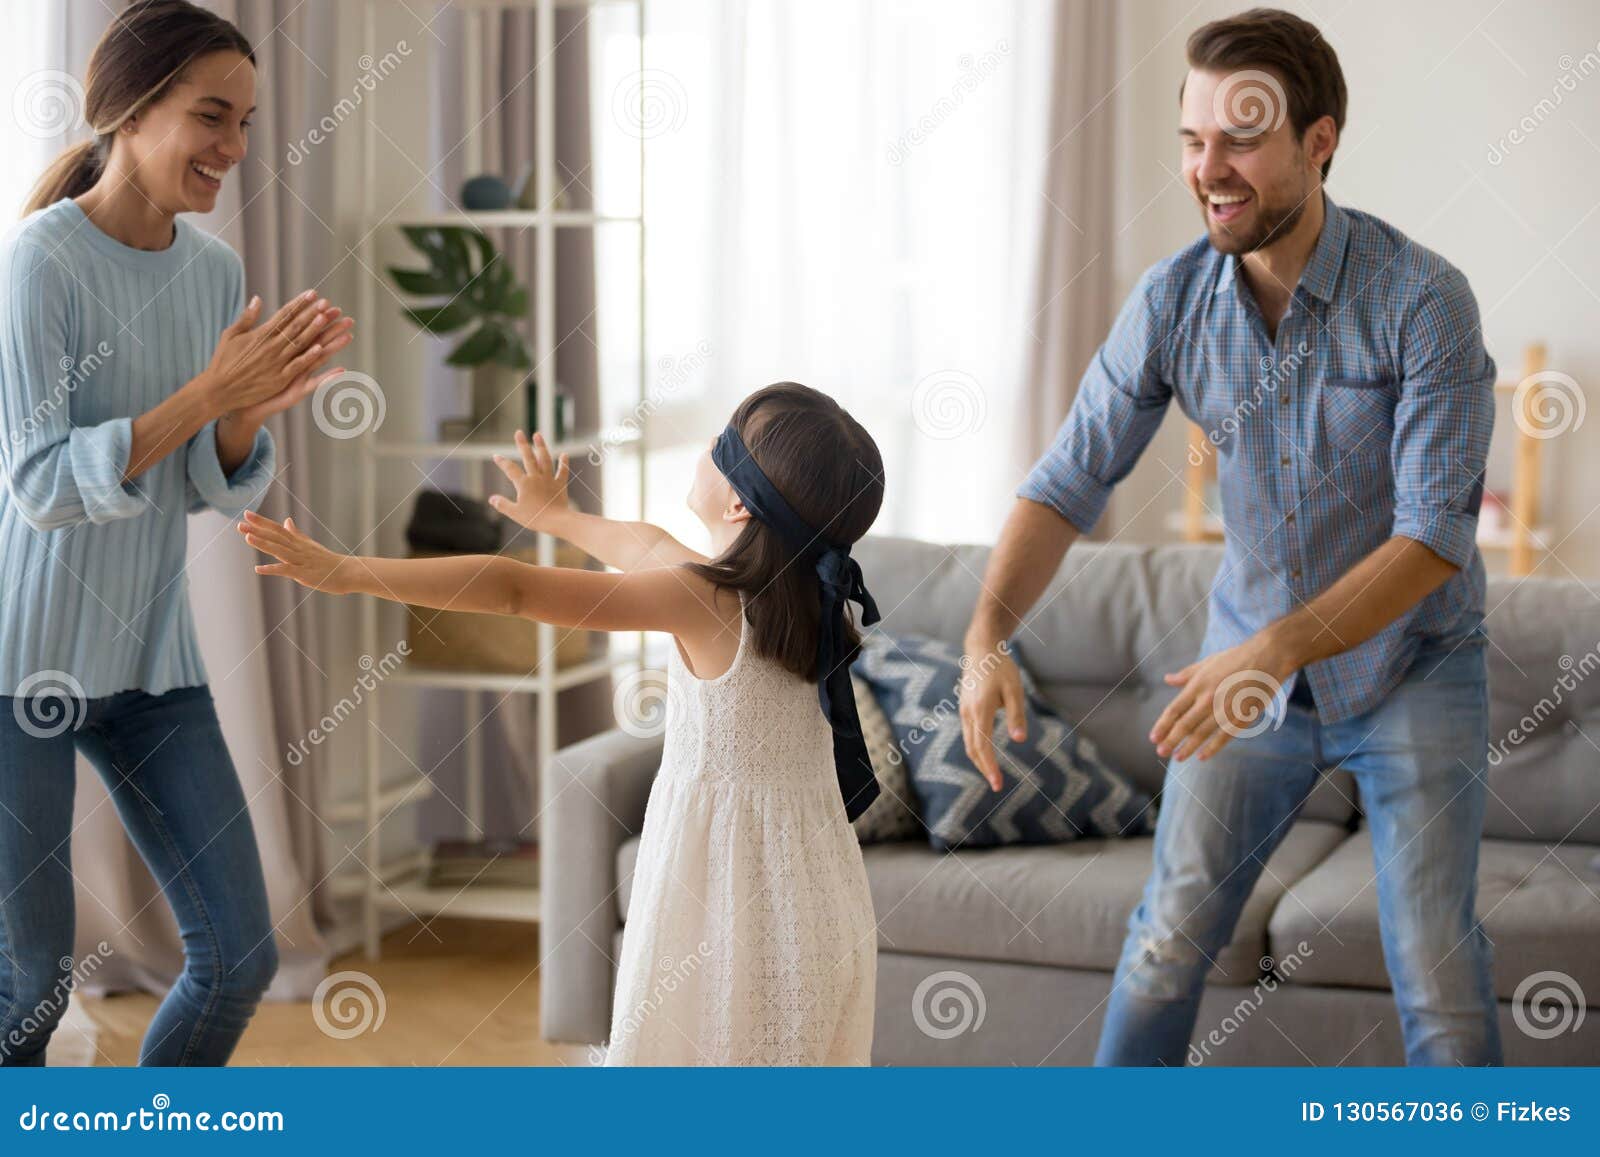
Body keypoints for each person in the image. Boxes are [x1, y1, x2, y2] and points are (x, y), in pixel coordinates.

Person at [958, 7, 1501, 1066]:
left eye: (1241, 138)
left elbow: (1433, 535)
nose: (1209, 168)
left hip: (1415, 665)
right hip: (1248, 663)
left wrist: (1270, 650)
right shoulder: (1171, 301)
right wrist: (985, 632)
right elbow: (1067, 482)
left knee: (1436, 971)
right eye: (1191, 139)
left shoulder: (1423, 299)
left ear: (1318, 141)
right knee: (1166, 941)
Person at [240, 382, 885, 1065]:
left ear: (738, 502)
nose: (704, 447)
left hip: (724, 887)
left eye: (722, 443)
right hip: (818, 891)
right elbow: (648, 543)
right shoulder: (813, 600)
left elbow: (514, 589)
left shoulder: (705, 599)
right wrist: (561, 517)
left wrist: (351, 572)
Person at [0, 0, 352, 1065]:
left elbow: (208, 484)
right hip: (20, 665)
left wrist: (244, 410)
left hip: (153, 658)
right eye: (212, 117)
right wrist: (208, 392)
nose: (234, 149)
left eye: (245, 122)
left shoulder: (206, 274)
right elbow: (41, 483)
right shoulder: (39, 263)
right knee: (28, 980)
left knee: (240, 954)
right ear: (128, 110)